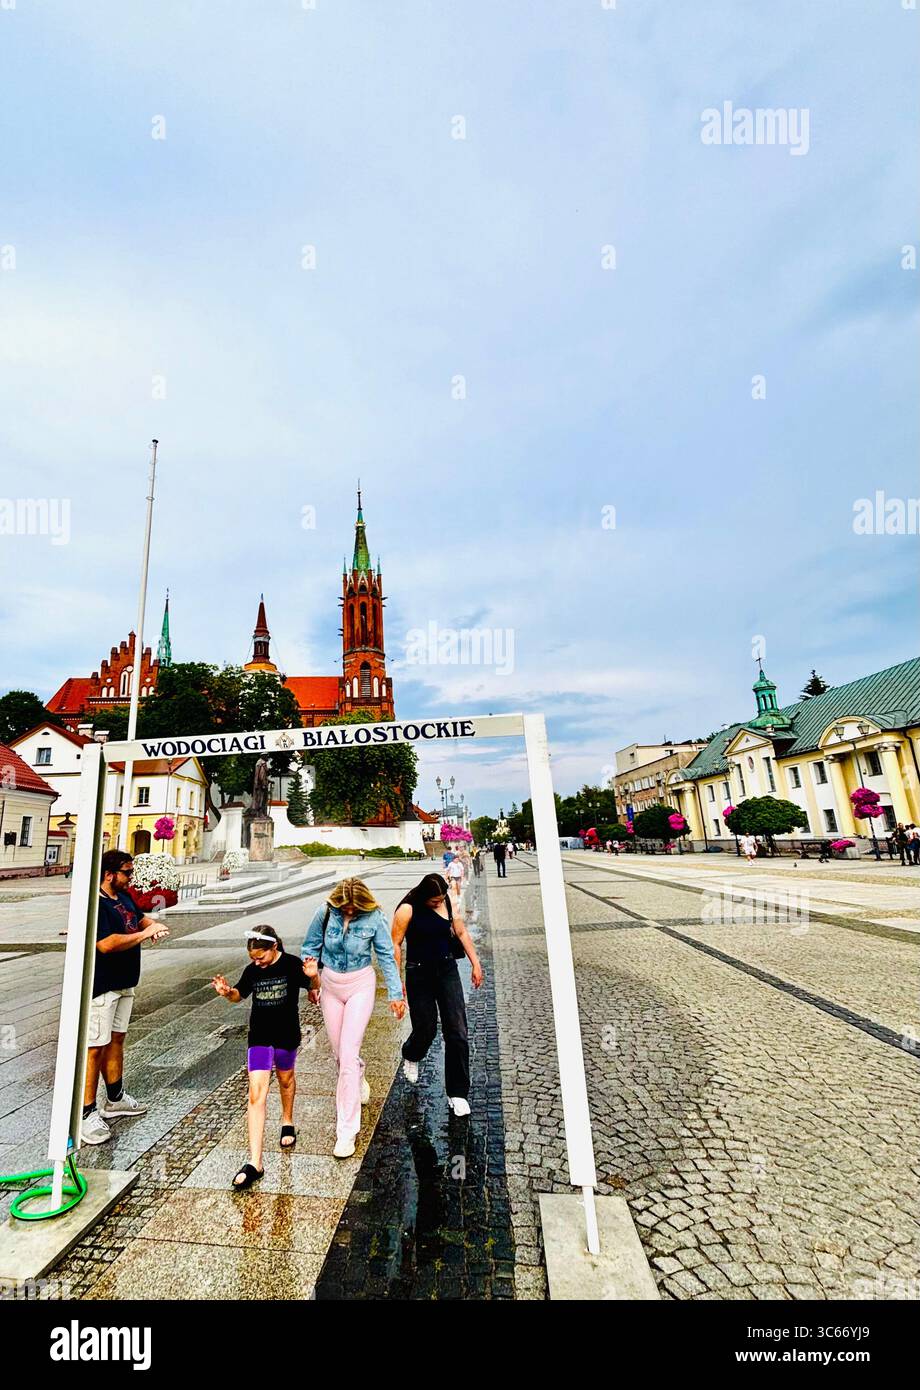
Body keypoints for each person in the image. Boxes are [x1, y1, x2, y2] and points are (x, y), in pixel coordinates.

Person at [301, 879, 405, 1158]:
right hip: (330, 986)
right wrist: (311, 979)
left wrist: (396, 994)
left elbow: (385, 955)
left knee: (347, 1054)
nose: (348, 912)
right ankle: (358, 1078)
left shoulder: (374, 917)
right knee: (339, 1055)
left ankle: (346, 1132)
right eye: (344, 907)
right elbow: (309, 948)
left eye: (354, 908)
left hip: (360, 984)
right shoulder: (323, 913)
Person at [212, 925, 315, 1189]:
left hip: (286, 1033)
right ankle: (255, 1162)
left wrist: (314, 978)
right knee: (256, 1093)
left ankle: (287, 1120)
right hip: (258, 1036)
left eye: (261, 957)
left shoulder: (291, 965)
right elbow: (239, 995)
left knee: (285, 1079)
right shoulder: (252, 971)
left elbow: (313, 987)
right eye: (253, 959)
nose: (257, 963)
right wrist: (226, 993)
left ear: (274, 948)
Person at [82, 849, 169, 1146]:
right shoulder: (97, 903)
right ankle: (85, 1113)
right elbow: (106, 944)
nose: (131, 877)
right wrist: (144, 935)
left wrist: (151, 926)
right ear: (109, 874)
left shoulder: (123, 897)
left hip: (125, 981)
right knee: (95, 1047)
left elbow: (139, 918)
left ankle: (114, 1098)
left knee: (117, 1039)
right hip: (103, 984)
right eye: (127, 872)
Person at [391, 873, 482, 1116]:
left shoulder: (447, 901)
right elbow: (396, 945)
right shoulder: (407, 909)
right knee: (426, 1028)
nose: (439, 903)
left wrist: (476, 963)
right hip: (418, 973)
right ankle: (411, 1054)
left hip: (447, 970)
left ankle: (458, 1093)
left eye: (441, 899)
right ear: (424, 896)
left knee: (458, 1032)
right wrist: (396, 982)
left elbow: (461, 933)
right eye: (434, 901)